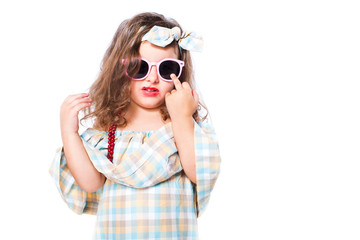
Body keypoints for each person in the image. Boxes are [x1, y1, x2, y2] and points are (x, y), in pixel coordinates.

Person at [49, 12, 221, 239]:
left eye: (166, 68)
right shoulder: (110, 128)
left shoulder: (182, 126)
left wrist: (182, 117)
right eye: (139, 67)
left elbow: (200, 172)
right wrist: (69, 133)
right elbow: (91, 184)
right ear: (120, 70)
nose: (152, 78)